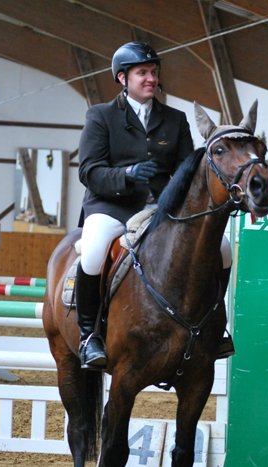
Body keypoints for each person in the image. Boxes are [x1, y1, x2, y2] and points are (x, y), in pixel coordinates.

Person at [76, 41, 195, 369]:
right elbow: (89, 171)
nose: (151, 79)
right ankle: (88, 336)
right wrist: (126, 175)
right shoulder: (101, 116)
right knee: (94, 251)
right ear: (122, 78)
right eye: (142, 72)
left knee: (223, 249)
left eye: (154, 72)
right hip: (112, 207)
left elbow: (186, 170)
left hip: (160, 208)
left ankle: (214, 330)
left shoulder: (175, 120)